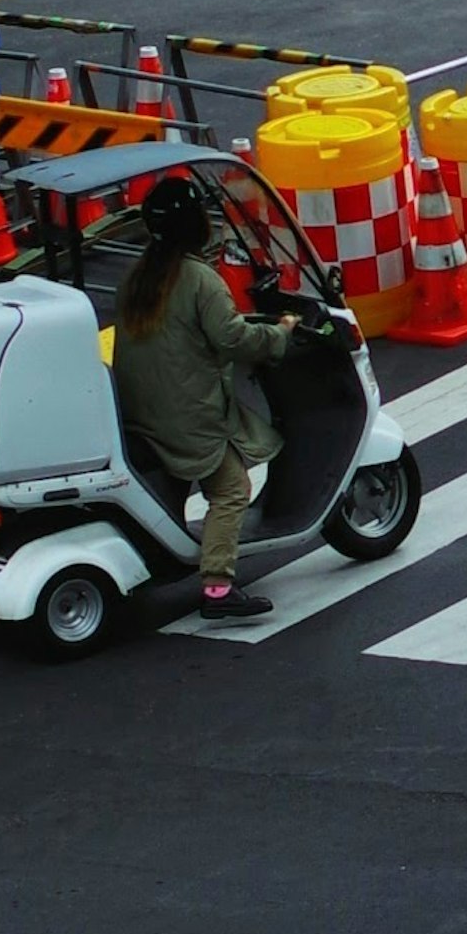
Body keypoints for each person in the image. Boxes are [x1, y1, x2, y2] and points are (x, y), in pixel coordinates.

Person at [113, 171, 299, 618]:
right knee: (232, 487)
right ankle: (217, 586)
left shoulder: (139, 275)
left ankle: (166, 557)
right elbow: (232, 339)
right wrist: (281, 333)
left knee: (175, 482)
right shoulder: (200, 279)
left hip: (140, 411)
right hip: (187, 416)